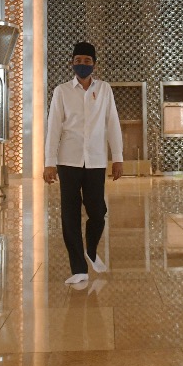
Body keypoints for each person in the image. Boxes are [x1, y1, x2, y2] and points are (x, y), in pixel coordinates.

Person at [43, 41, 124, 286]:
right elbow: (53, 127)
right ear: (72, 63)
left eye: (87, 61)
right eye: (78, 60)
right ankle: (78, 267)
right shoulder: (62, 91)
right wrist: (49, 162)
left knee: (98, 212)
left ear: (94, 65)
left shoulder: (105, 90)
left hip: (96, 160)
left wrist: (117, 157)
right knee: (69, 214)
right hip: (68, 160)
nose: (82, 65)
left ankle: (90, 249)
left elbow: (113, 123)